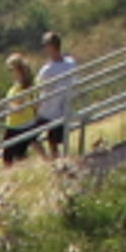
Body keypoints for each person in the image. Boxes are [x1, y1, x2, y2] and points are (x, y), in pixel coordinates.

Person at [36, 31, 78, 164]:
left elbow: (41, 89)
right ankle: (57, 162)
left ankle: (51, 162)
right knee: (53, 140)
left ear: (51, 47)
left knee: (32, 135)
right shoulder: (71, 63)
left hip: (48, 110)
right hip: (63, 108)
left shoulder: (47, 70)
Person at [0, 53, 39, 166]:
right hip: (20, 123)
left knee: (8, 157)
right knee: (19, 154)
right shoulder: (23, 85)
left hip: (17, 125)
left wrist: (7, 106)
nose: (10, 73)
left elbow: (19, 107)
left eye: (10, 69)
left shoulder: (23, 86)